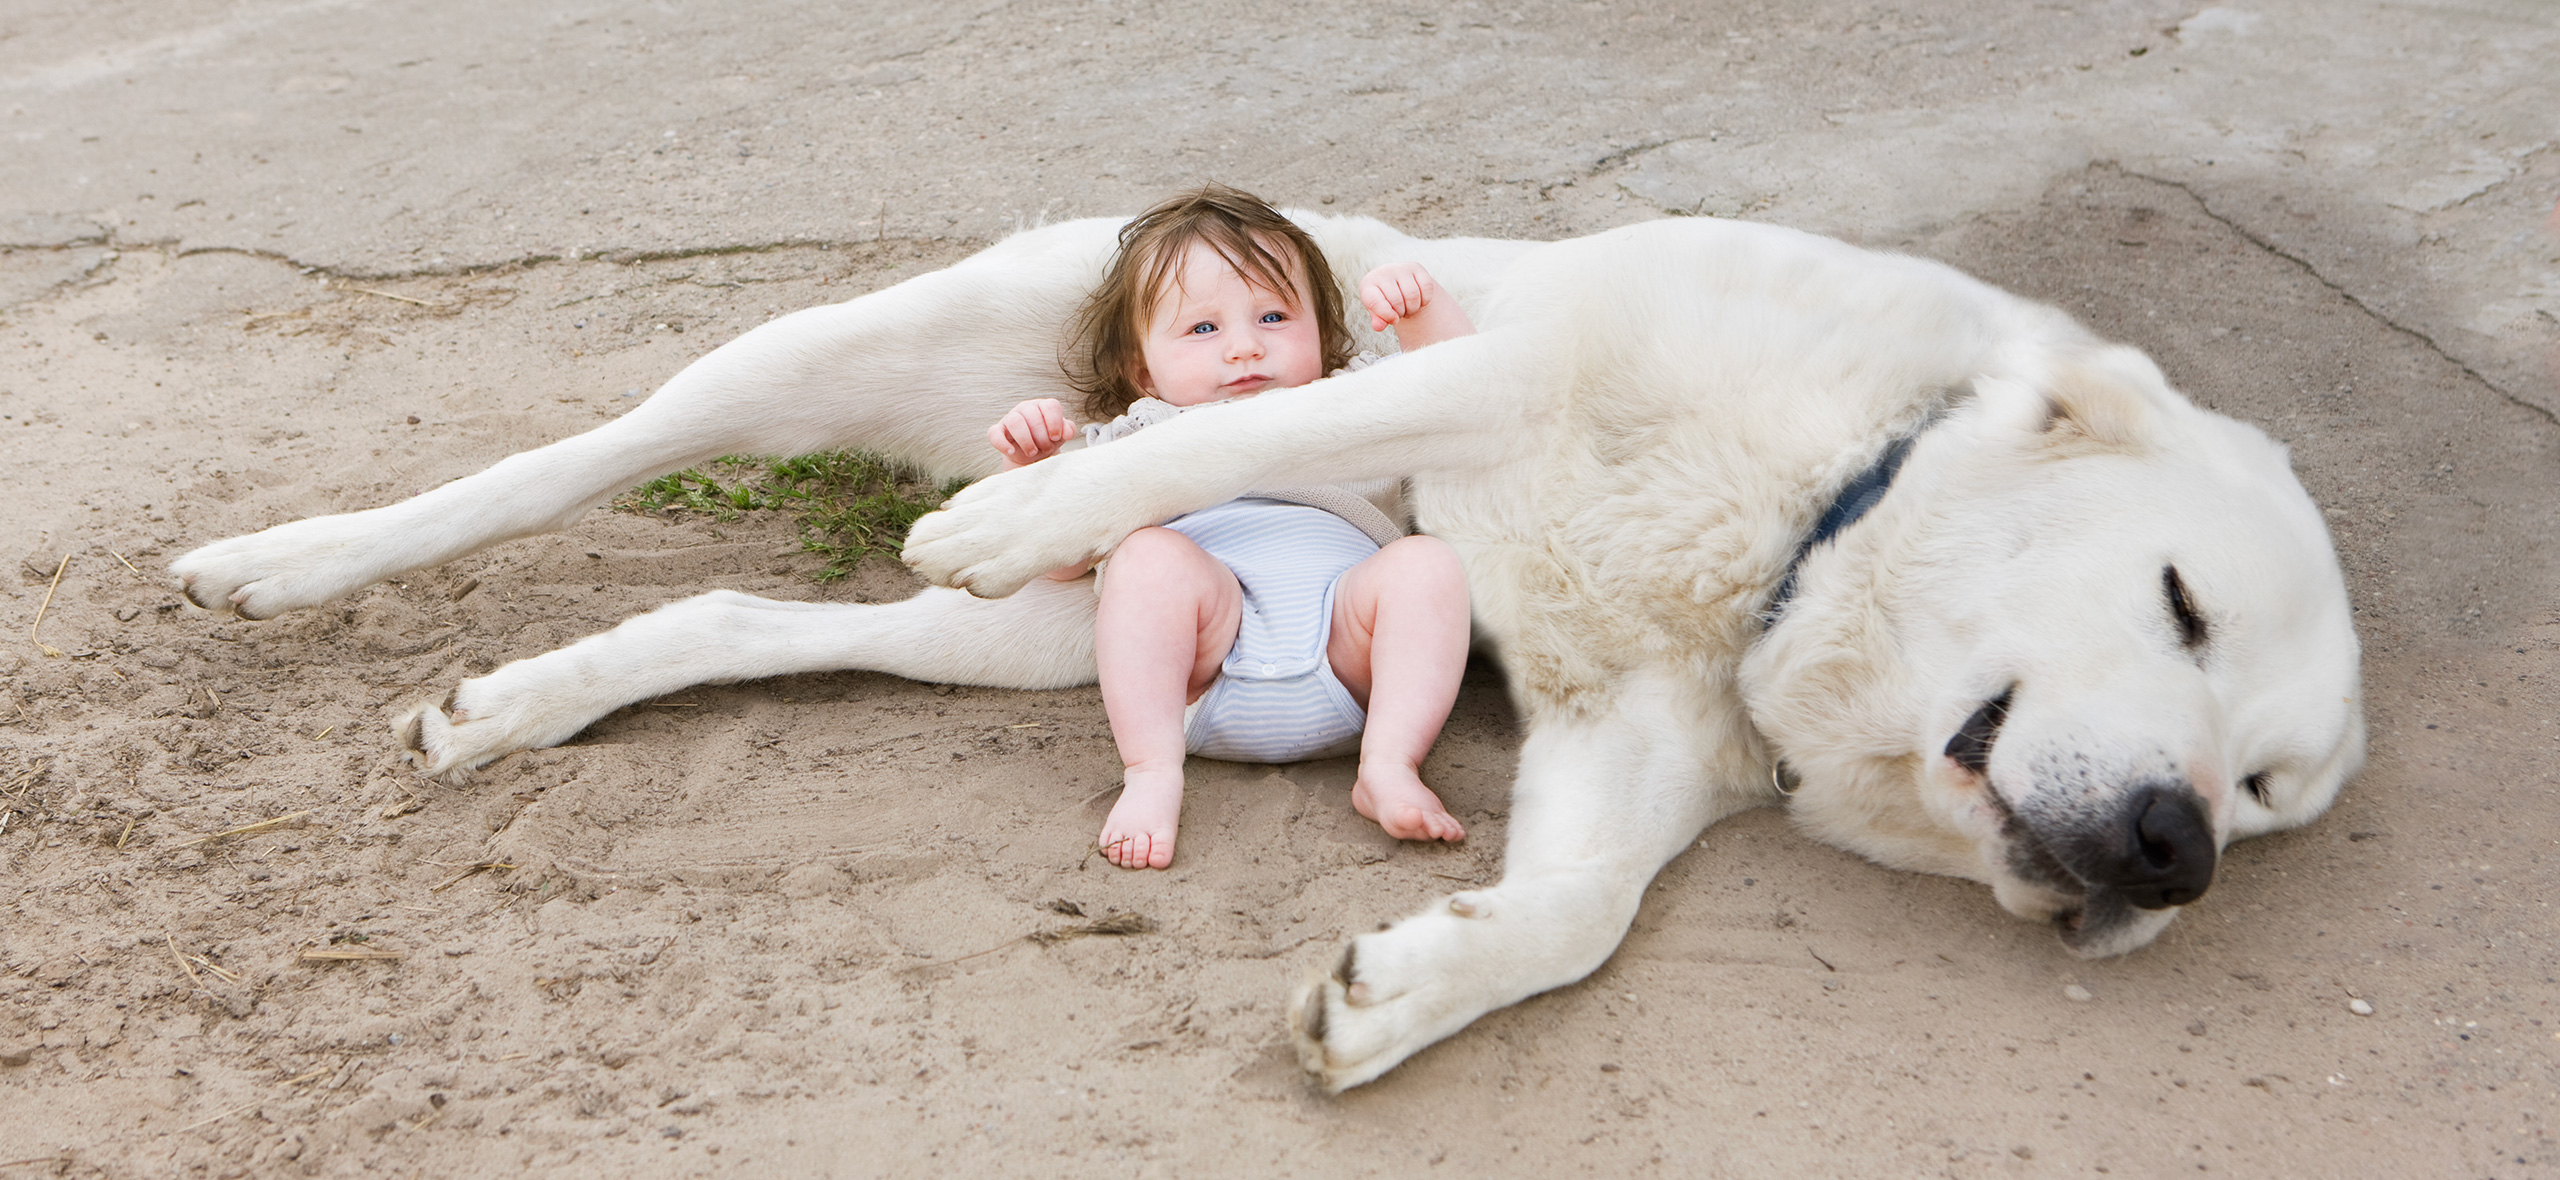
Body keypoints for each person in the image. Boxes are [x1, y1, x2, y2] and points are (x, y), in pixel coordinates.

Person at [987, 185, 1475, 869]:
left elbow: (1462, 392)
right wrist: (1031, 466)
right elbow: (1058, 558)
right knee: (1149, 559)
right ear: (1142, 369)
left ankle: (1389, 763)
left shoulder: (1351, 400)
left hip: (1352, 652)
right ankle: (1152, 772)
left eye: (1274, 316)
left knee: (1425, 565)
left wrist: (1422, 313)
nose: (1245, 348)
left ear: (1325, 336)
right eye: (1204, 329)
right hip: (1205, 666)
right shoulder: (1138, 436)